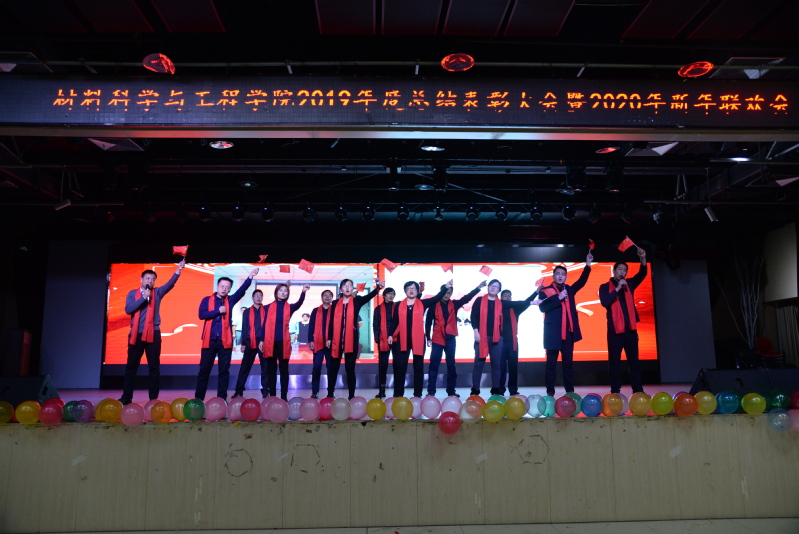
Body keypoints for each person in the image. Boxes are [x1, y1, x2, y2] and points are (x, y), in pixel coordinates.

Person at [120, 259, 185, 405]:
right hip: (136, 334)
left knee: (154, 367)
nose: (150, 281)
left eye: (152, 279)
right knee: (131, 367)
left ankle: (153, 399)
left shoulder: (157, 293)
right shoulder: (132, 293)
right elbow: (129, 309)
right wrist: (144, 297)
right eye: (147, 278)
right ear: (141, 280)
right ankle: (126, 397)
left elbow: (170, 284)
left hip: (153, 333)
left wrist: (178, 271)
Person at [195, 268, 259, 401]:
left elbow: (241, 291)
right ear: (217, 286)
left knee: (224, 372)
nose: (224, 289)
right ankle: (198, 400)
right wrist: (217, 311)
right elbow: (201, 315)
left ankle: (222, 400)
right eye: (222, 286)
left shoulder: (230, 300)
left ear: (229, 289)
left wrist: (250, 277)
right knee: (204, 371)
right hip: (209, 340)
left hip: (225, 341)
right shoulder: (206, 300)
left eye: (227, 287)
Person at [537, 254, 593, 398]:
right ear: (553, 276)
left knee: (568, 364)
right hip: (553, 334)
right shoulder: (544, 291)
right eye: (558, 274)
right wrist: (558, 298)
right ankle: (550, 392)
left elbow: (581, 282)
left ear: (566, 277)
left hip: (568, 333)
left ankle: (569, 391)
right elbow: (542, 308)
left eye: (563, 274)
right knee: (551, 365)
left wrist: (588, 264)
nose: (560, 276)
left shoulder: (569, 290)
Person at [470, 279, 538, 396]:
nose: (493, 288)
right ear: (488, 287)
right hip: (482, 337)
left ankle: (496, 389)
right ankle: (475, 389)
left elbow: (519, 303)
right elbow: (473, 316)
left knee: (497, 365)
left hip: (498, 339)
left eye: (496, 287)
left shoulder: (502, 304)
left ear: (498, 290)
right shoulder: (480, 300)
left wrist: (533, 301)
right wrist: (476, 331)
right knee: (479, 364)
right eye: (491, 285)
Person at [390, 280, 451, 398]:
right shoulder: (398, 305)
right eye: (408, 288)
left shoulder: (422, 303)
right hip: (402, 340)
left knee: (418, 368)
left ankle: (417, 395)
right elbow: (394, 321)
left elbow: (436, 298)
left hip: (418, 340)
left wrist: (445, 288)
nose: (411, 290)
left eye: (413, 288)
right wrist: (390, 335)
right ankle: (398, 394)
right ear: (405, 291)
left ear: (417, 291)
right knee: (400, 367)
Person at [599, 247, 648, 395]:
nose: (622, 272)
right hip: (615, 330)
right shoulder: (604, 287)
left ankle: (638, 391)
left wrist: (643, 258)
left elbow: (642, 273)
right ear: (614, 271)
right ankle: (615, 391)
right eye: (620, 269)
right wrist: (617, 289)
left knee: (634, 362)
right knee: (614, 362)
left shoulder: (629, 284)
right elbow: (605, 302)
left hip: (630, 330)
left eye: (625, 270)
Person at [424, 281, 486, 397]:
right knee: (434, 365)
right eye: (445, 292)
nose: (446, 295)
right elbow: (428, 323)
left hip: (450, 338)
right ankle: (431, 392)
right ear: (441, 292)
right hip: (437, 338)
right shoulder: (433, 305)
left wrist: (478, 287)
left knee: (451, 365)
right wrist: (428, 337)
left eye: (449, 293)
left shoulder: (454, 304)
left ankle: (451, 391)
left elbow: (467, 298)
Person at [326, 279, 384, 399]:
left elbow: (369, 296)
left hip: (351, 341)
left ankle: (351, 396)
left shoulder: (357, 301)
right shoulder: (335, 303)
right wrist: (329, 338)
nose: (347, 288)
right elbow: (331, 322)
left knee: (350, 370)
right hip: (336, 341)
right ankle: (330, 393)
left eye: (350, 286)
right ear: (341, 289)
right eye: (345, 286)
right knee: (333, 369)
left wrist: (378, 288)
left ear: (352, 288)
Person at [259, 281, 310, 400]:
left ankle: (283, 397)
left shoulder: (290, 307)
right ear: (276, 293)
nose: (283, 292)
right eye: (280, 290)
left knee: (284, 370)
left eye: (285, 291)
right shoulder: (267, 307)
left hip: (284, 343)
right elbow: (264, 324)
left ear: (288, 293)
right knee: (271, 371)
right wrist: (261, 340)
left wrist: (303, 292)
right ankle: (272, 396)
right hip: (270, 343)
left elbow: (299, 303)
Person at [497, 288, 537, 396]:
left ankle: (513, 389)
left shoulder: (515, 309)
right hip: (500, 343)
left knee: (513, 367)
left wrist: (536, 292)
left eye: (509, 296)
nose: (507, 297)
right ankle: (500, 390)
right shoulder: (497, 309)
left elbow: (526, 303)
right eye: (505, 295)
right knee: (501, 368)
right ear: (501, 297)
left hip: (512, 343)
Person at [232, 289, 267, 398]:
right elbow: (244, 327)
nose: (258, 297)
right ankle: (239, 390)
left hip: (263, 341)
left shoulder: (266, 310)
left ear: (262, 298)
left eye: (260, 296)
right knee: (245, 367)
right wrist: (243, 343)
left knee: (265, 367)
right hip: (249, 341)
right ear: (252, 298)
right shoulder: (247, 311)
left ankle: (266, 390)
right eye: (256, 295)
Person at [373, 287, 399, 399]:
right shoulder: (378, 309)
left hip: (397, 339)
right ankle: (382, 391)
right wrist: (377, 338)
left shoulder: (398, 307)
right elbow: (375, 324)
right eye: (389, 294)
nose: (391, 296)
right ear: (384, 295)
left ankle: (397, 391)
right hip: (383, 340)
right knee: (382, 366)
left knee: (397, 365)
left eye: (392, 294)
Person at [308, 289, 334, 399]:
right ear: (321, 298)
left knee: (330, 368)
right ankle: (315, 391)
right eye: (325, 295)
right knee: (316, 367)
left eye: (329, 295)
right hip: (318, 343)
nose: (327, 297)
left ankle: (331, 392)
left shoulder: (334, 310)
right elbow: (311, 326)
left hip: (331, 344)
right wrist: (310, 340)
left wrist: (332, 339)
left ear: (332, 298)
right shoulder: (315, 311)